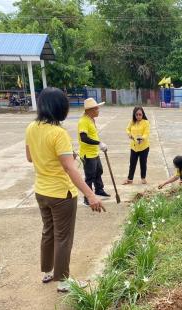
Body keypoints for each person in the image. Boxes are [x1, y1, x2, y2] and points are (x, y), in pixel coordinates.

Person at [25, 87, 105, 292]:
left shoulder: (31, 127)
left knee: (48, 232)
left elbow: (30, 157)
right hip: (61, 194)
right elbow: (69, 168)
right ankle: (63, 281)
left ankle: (47, 272)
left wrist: (63, 156)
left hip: (41, 191)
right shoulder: (58, 133)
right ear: (60, 108)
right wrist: (90, 194)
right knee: (63, 237)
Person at [77, 97, 110, 205]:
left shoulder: (91, 119)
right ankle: (87, 198)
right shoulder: (83, 121)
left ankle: (99, 190)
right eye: (96, 109)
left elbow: (93, 135)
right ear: (90, 110)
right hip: (87, 154)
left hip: (94, 152)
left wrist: (99, 144)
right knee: (89, 176)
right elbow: (84, 138)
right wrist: (99, 143)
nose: (98, 111)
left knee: (98, 171)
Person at [123, 106, 150, 185]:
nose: (138, 116)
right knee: (132, 163)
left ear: (143, 114)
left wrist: (142, 138)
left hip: (144, 147)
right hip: (134, 147)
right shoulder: (132, 122)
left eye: (140, 114)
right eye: (136, 115)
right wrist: (129, 134)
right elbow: (127, 129)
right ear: (134, 115)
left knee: (143, 163)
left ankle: (143, 178)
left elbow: (146, 133)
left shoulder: (146, 122)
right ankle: (130, 179)